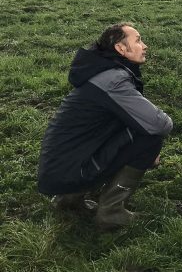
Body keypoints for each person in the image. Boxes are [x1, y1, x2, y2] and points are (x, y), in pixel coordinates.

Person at [37, 23, 173, 229]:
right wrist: (148, 149)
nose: (144, 46)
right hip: (71, 172)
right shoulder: (112, 80)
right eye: (138, 40)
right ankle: (111, 212)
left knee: (136, 126)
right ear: (120, 49)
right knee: (150, 138)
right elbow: (160, 124)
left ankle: (69, 199)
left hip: (59, 171)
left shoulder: (101, 72)